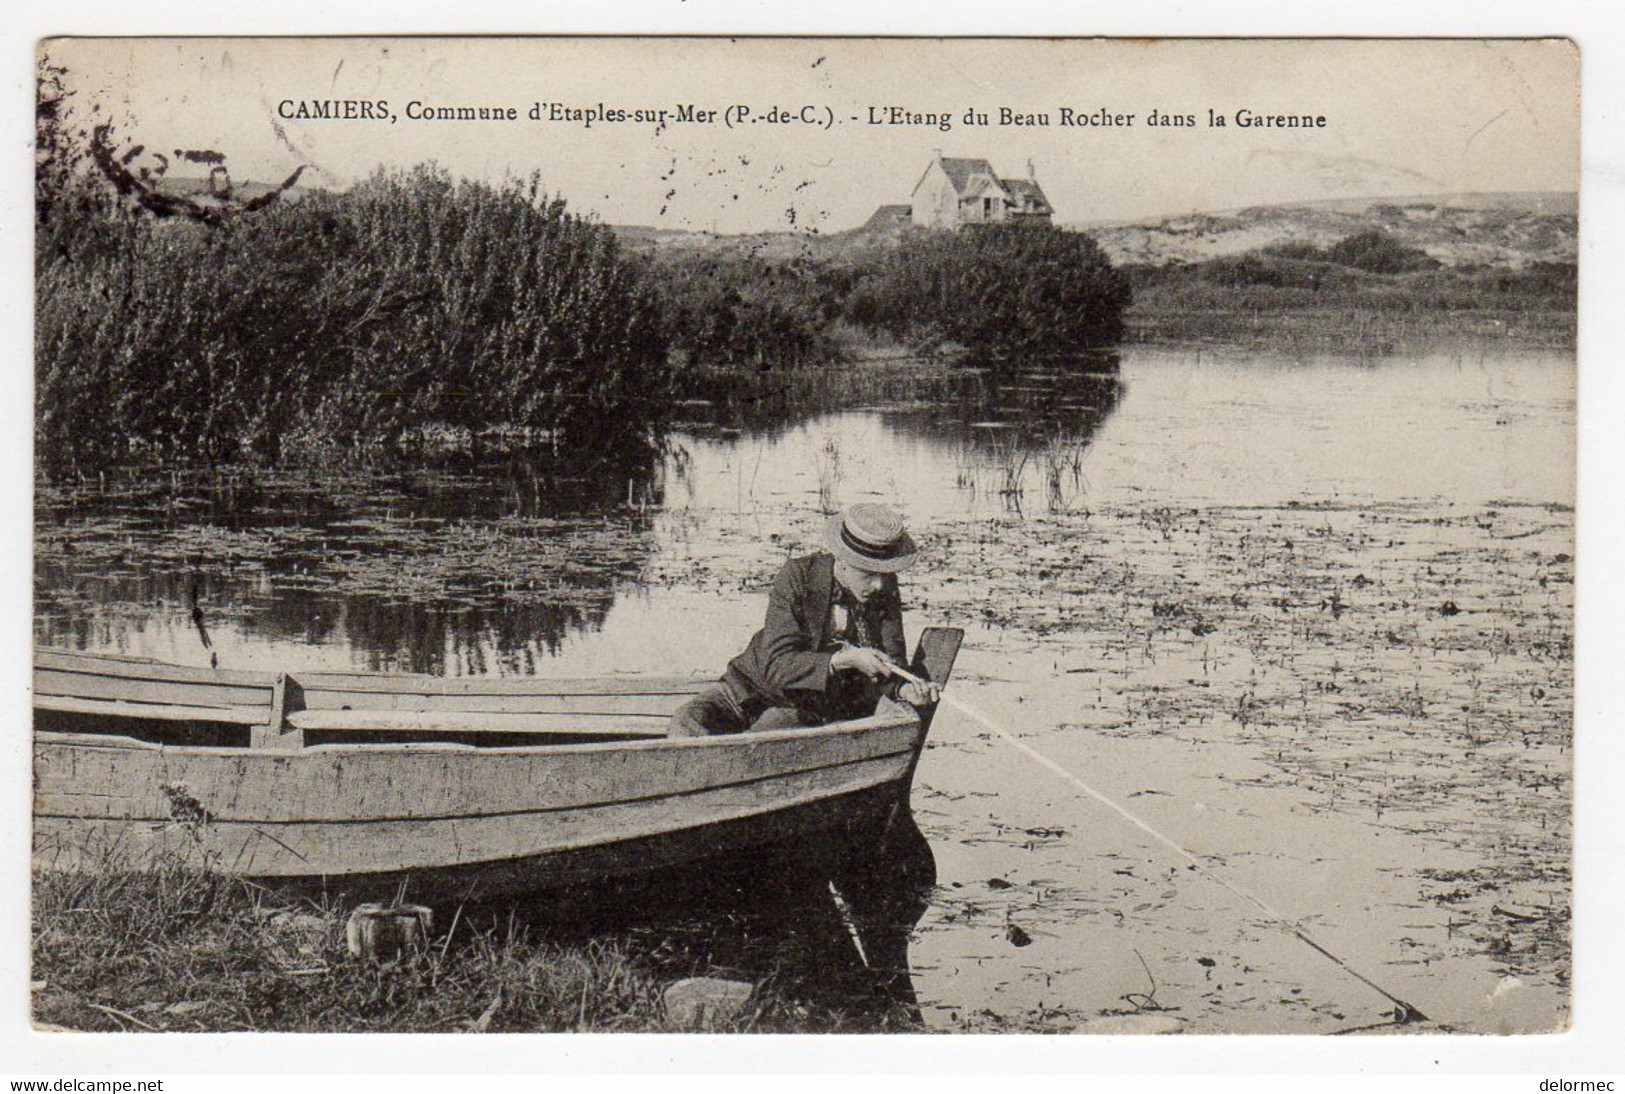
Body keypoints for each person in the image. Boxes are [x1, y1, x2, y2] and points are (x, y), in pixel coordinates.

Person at [668, 503, 942, 737]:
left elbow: (891, 666)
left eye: (885, 574)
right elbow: (776, 666)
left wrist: (904, 689)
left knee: (771, 730)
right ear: (843, 561)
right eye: (869, 573)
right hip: (749, 689)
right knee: (687, 721)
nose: (880, 584)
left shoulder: (884, 590)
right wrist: (842, 661)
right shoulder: (798, 577)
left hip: (807, 707)